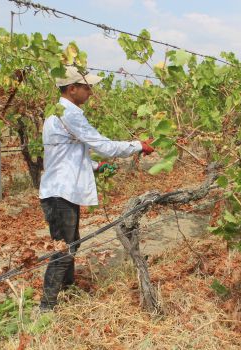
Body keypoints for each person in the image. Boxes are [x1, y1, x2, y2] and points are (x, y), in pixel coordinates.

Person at [38, 66, 154, 311]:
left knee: (71, 243)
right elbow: (104, 145)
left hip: (60, 190)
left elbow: (66, 154)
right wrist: (138, 146)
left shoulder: (56, 113)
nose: (91, 91)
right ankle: (46, 309)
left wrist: (97, 167)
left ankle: (67, 289)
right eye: (86, 87)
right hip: (60, 191)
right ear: (72, 89)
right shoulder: (69, 114)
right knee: (63, 248)